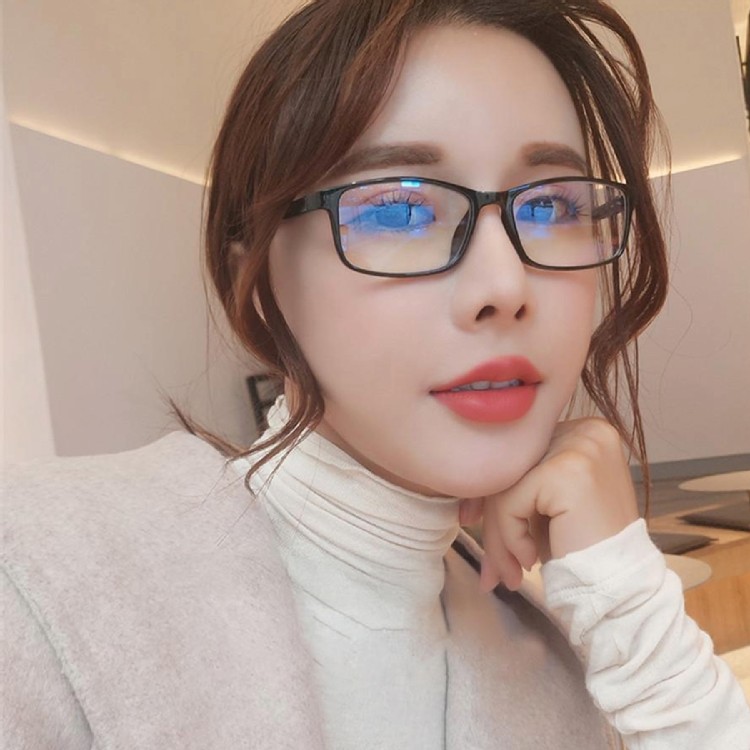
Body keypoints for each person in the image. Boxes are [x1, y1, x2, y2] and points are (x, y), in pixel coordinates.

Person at [2, 0, 749, 748]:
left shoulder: (565, 650)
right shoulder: (40, 577)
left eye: (552, 204)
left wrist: (634, 615)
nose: (505, 285)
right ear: (257, 282)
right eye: (397, 211)